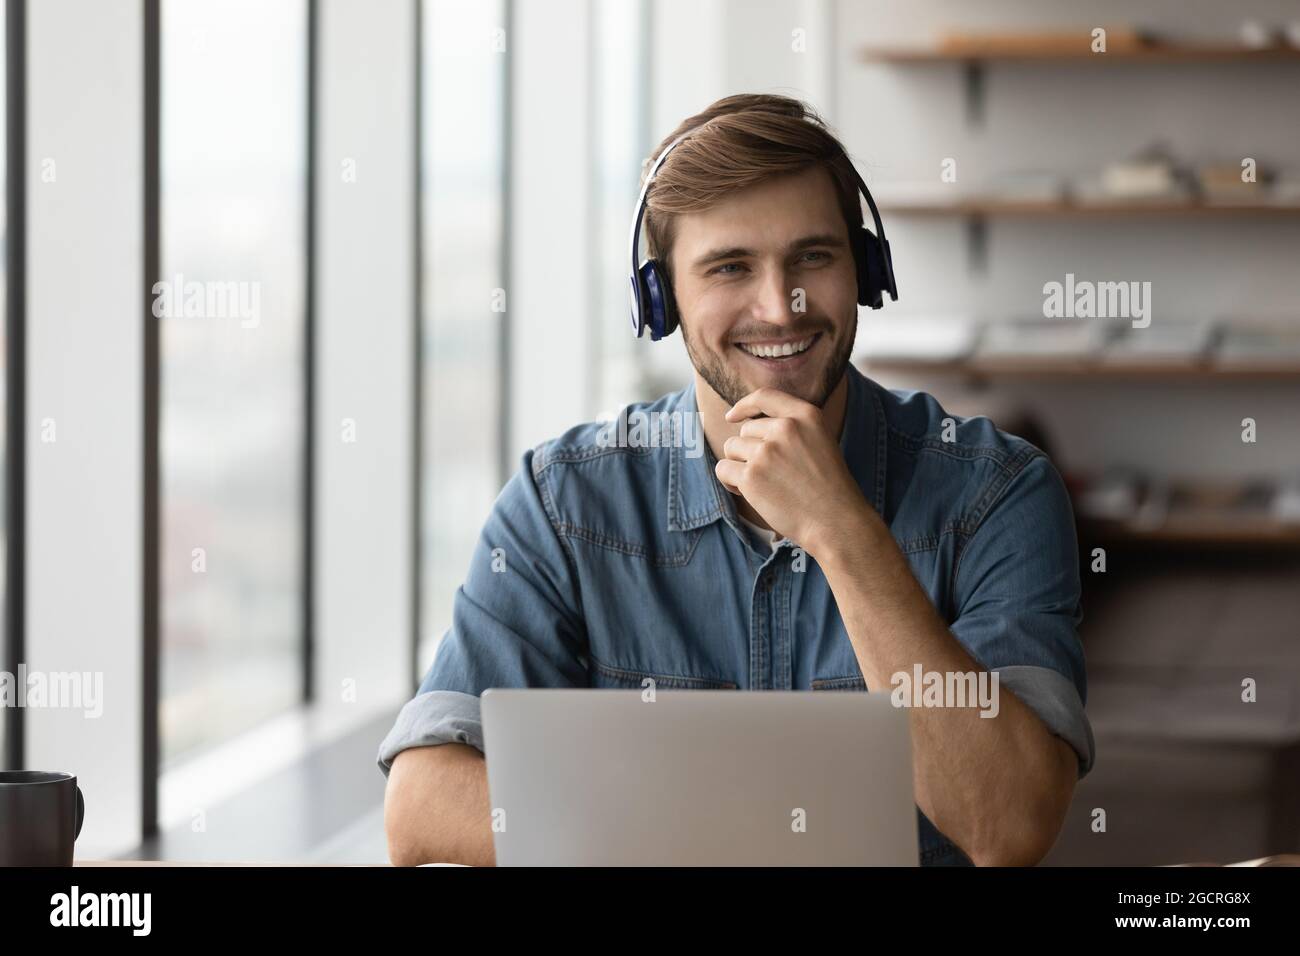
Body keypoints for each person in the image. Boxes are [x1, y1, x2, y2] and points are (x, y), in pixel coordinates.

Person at [379, 93, 1093, 867]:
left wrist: (842, 531)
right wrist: (705, 838)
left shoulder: (1000, 493)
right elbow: (423, 804)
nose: (779, 305)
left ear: (867, 270)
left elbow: (1010, 823)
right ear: (661, 299)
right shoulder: (562, 503)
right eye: (730, 267)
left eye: (813, 257)